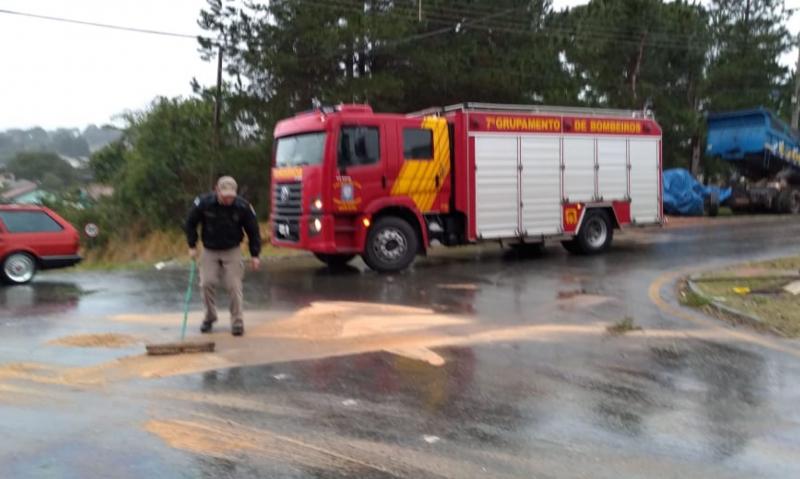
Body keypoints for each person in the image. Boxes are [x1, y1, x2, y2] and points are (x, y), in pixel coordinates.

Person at [185, 176, 261, 336]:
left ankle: (237, 322)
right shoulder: (204, 203)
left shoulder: (243, 206)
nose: (228, 200)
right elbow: (190, 223)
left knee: (234, 286)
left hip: (232, 249)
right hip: (209, 249)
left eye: (231, 196)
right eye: (225, 196)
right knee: (206, 283)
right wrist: (192, 245)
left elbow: (253, 231)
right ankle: (210, 317)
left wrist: (255, 254)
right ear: (216, 190)